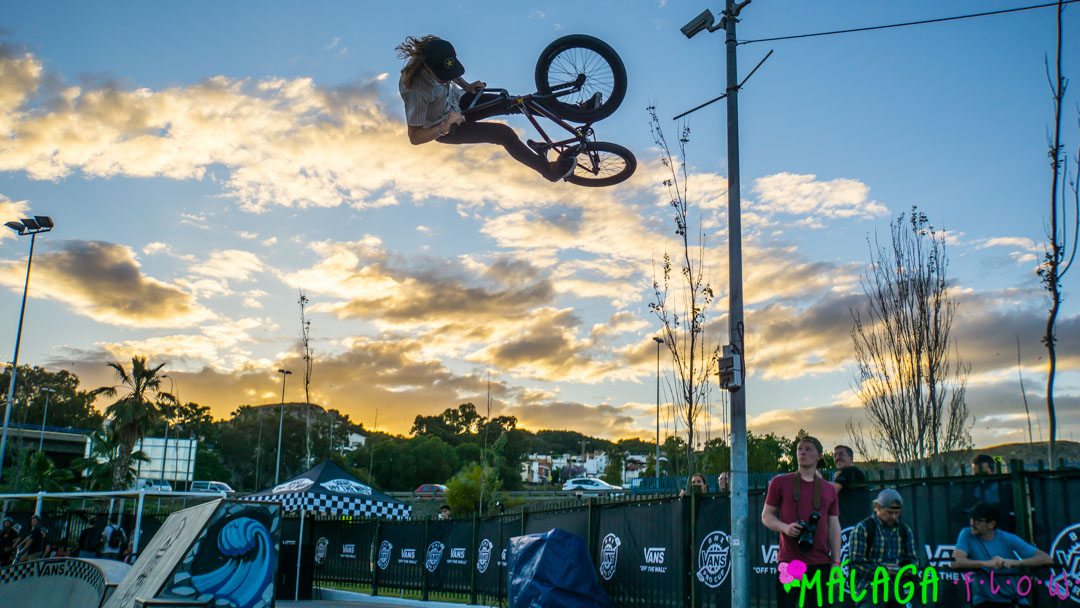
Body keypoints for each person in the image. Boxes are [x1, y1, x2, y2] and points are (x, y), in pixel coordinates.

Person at [396, 36, 579, 183]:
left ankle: (576, 110)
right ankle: (549, 171)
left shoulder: (436, 53)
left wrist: (466, 86)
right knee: (502, 133)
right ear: (427, 68)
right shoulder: (415, 90)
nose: (447, 79)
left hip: (457, 101)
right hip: (446, 127)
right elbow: (414, 136)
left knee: (516, 102)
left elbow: (451, 71)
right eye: (443, 77)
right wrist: (443, 127)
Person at [761, 436, 842, 608]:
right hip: (790, 561)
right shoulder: (780, 482)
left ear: (819, 455)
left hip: (820, 562)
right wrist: (785, 527)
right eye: (799, 449)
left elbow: (834, 527)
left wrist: (836, 563)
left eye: (808, 449)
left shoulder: (829, 489)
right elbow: (766, 516)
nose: (802, 452)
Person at [951, 501, 1052, 608]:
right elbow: (955, 562)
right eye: (972, 519)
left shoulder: (1007, 538)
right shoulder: (966, 534)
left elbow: (1046, 558)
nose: (972, 523)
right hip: (985, 601)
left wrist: (1017, 562)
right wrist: (986, 563)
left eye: (978, 521)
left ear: (992, 524)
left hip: (1014, 599)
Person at [847, 489, 918, 608]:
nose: (894, 516)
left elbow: (913, 558)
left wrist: (907, 569)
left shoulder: (904, 530)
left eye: (897, 513)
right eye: (890, 512)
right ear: (878, 508)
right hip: (869, 584)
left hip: (897, 584)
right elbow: (856, 562)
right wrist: (882, 570)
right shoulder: (863, 528)